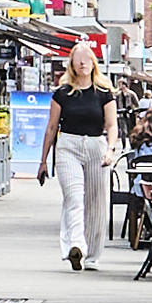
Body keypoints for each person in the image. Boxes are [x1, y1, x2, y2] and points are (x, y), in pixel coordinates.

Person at [36, 43, 120, 271]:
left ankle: (92, 255)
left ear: (94, 62)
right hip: (68, 145)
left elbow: (112, 125)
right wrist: (43, 161)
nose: (82, 62)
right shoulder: (62, 94)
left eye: (86, 58)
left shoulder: (104, 93)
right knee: (74, 197)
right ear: (71, 64)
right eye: (77, 58)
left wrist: (110, 149)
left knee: (96, 202)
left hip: (96, 145)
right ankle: (76, 245)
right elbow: (52, 128)